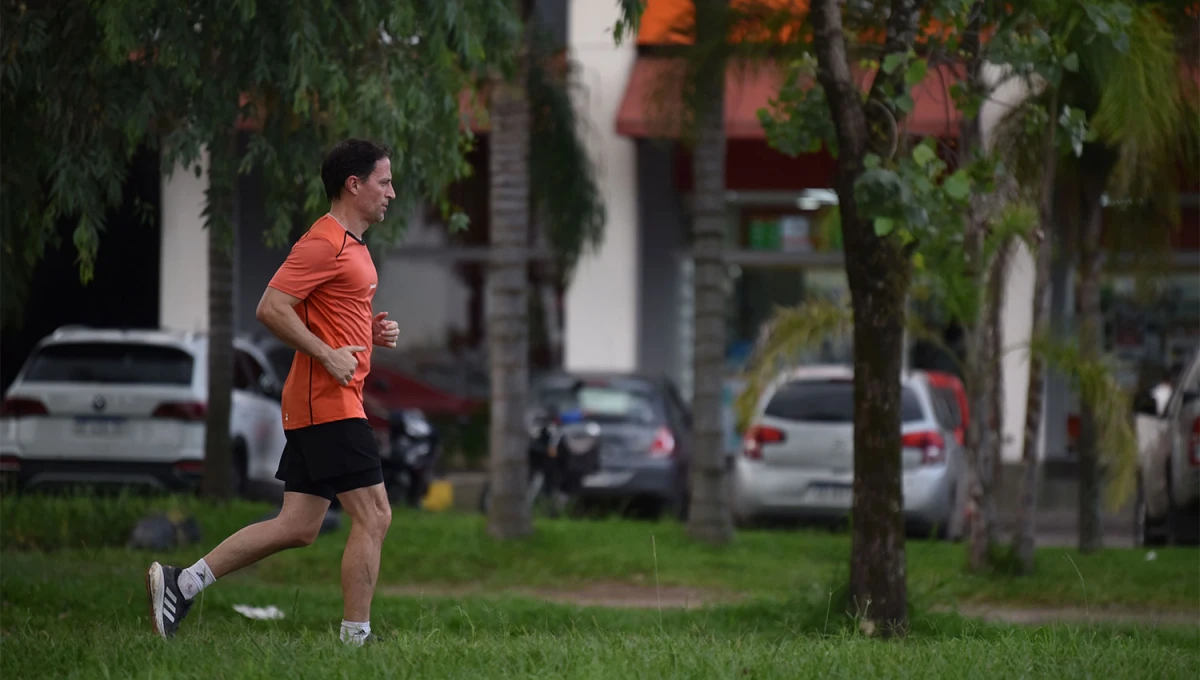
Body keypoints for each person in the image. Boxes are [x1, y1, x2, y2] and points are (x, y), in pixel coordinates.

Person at [145, 139, 401, 647]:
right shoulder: (323, 241)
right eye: (384, 181)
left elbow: (321, 312)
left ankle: (183, 582)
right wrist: (329, 356)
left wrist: (366, 331)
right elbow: (272, 307)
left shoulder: (352, 245)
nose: (391, 192)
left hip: (325, 402)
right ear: (354, 185)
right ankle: (357, 638)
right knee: (375, 515)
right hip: (327, 403)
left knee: (299, 526)